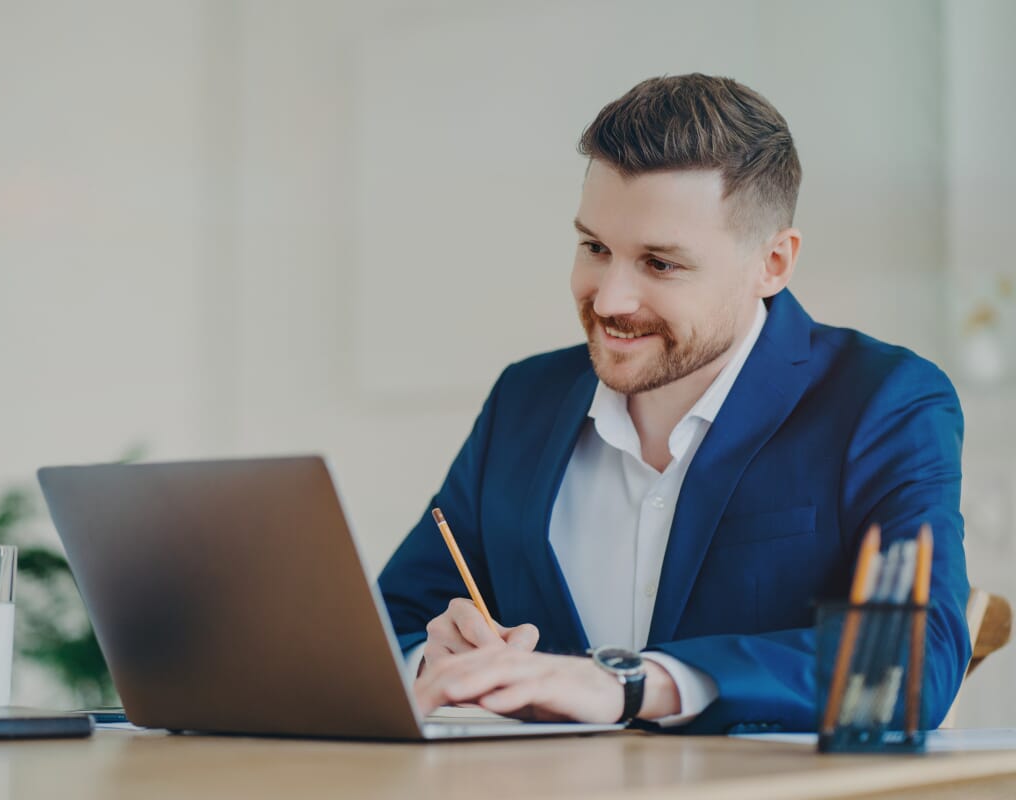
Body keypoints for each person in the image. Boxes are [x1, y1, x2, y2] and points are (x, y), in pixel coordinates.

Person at [377, 73, 971, 734]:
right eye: (595, 248)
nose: (608, 301)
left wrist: (632, 684)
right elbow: (388, 624)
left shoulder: (884, 402)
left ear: (773, 262)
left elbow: (916, 660)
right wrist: (433, 656)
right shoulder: (524, 399)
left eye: (660, 264)